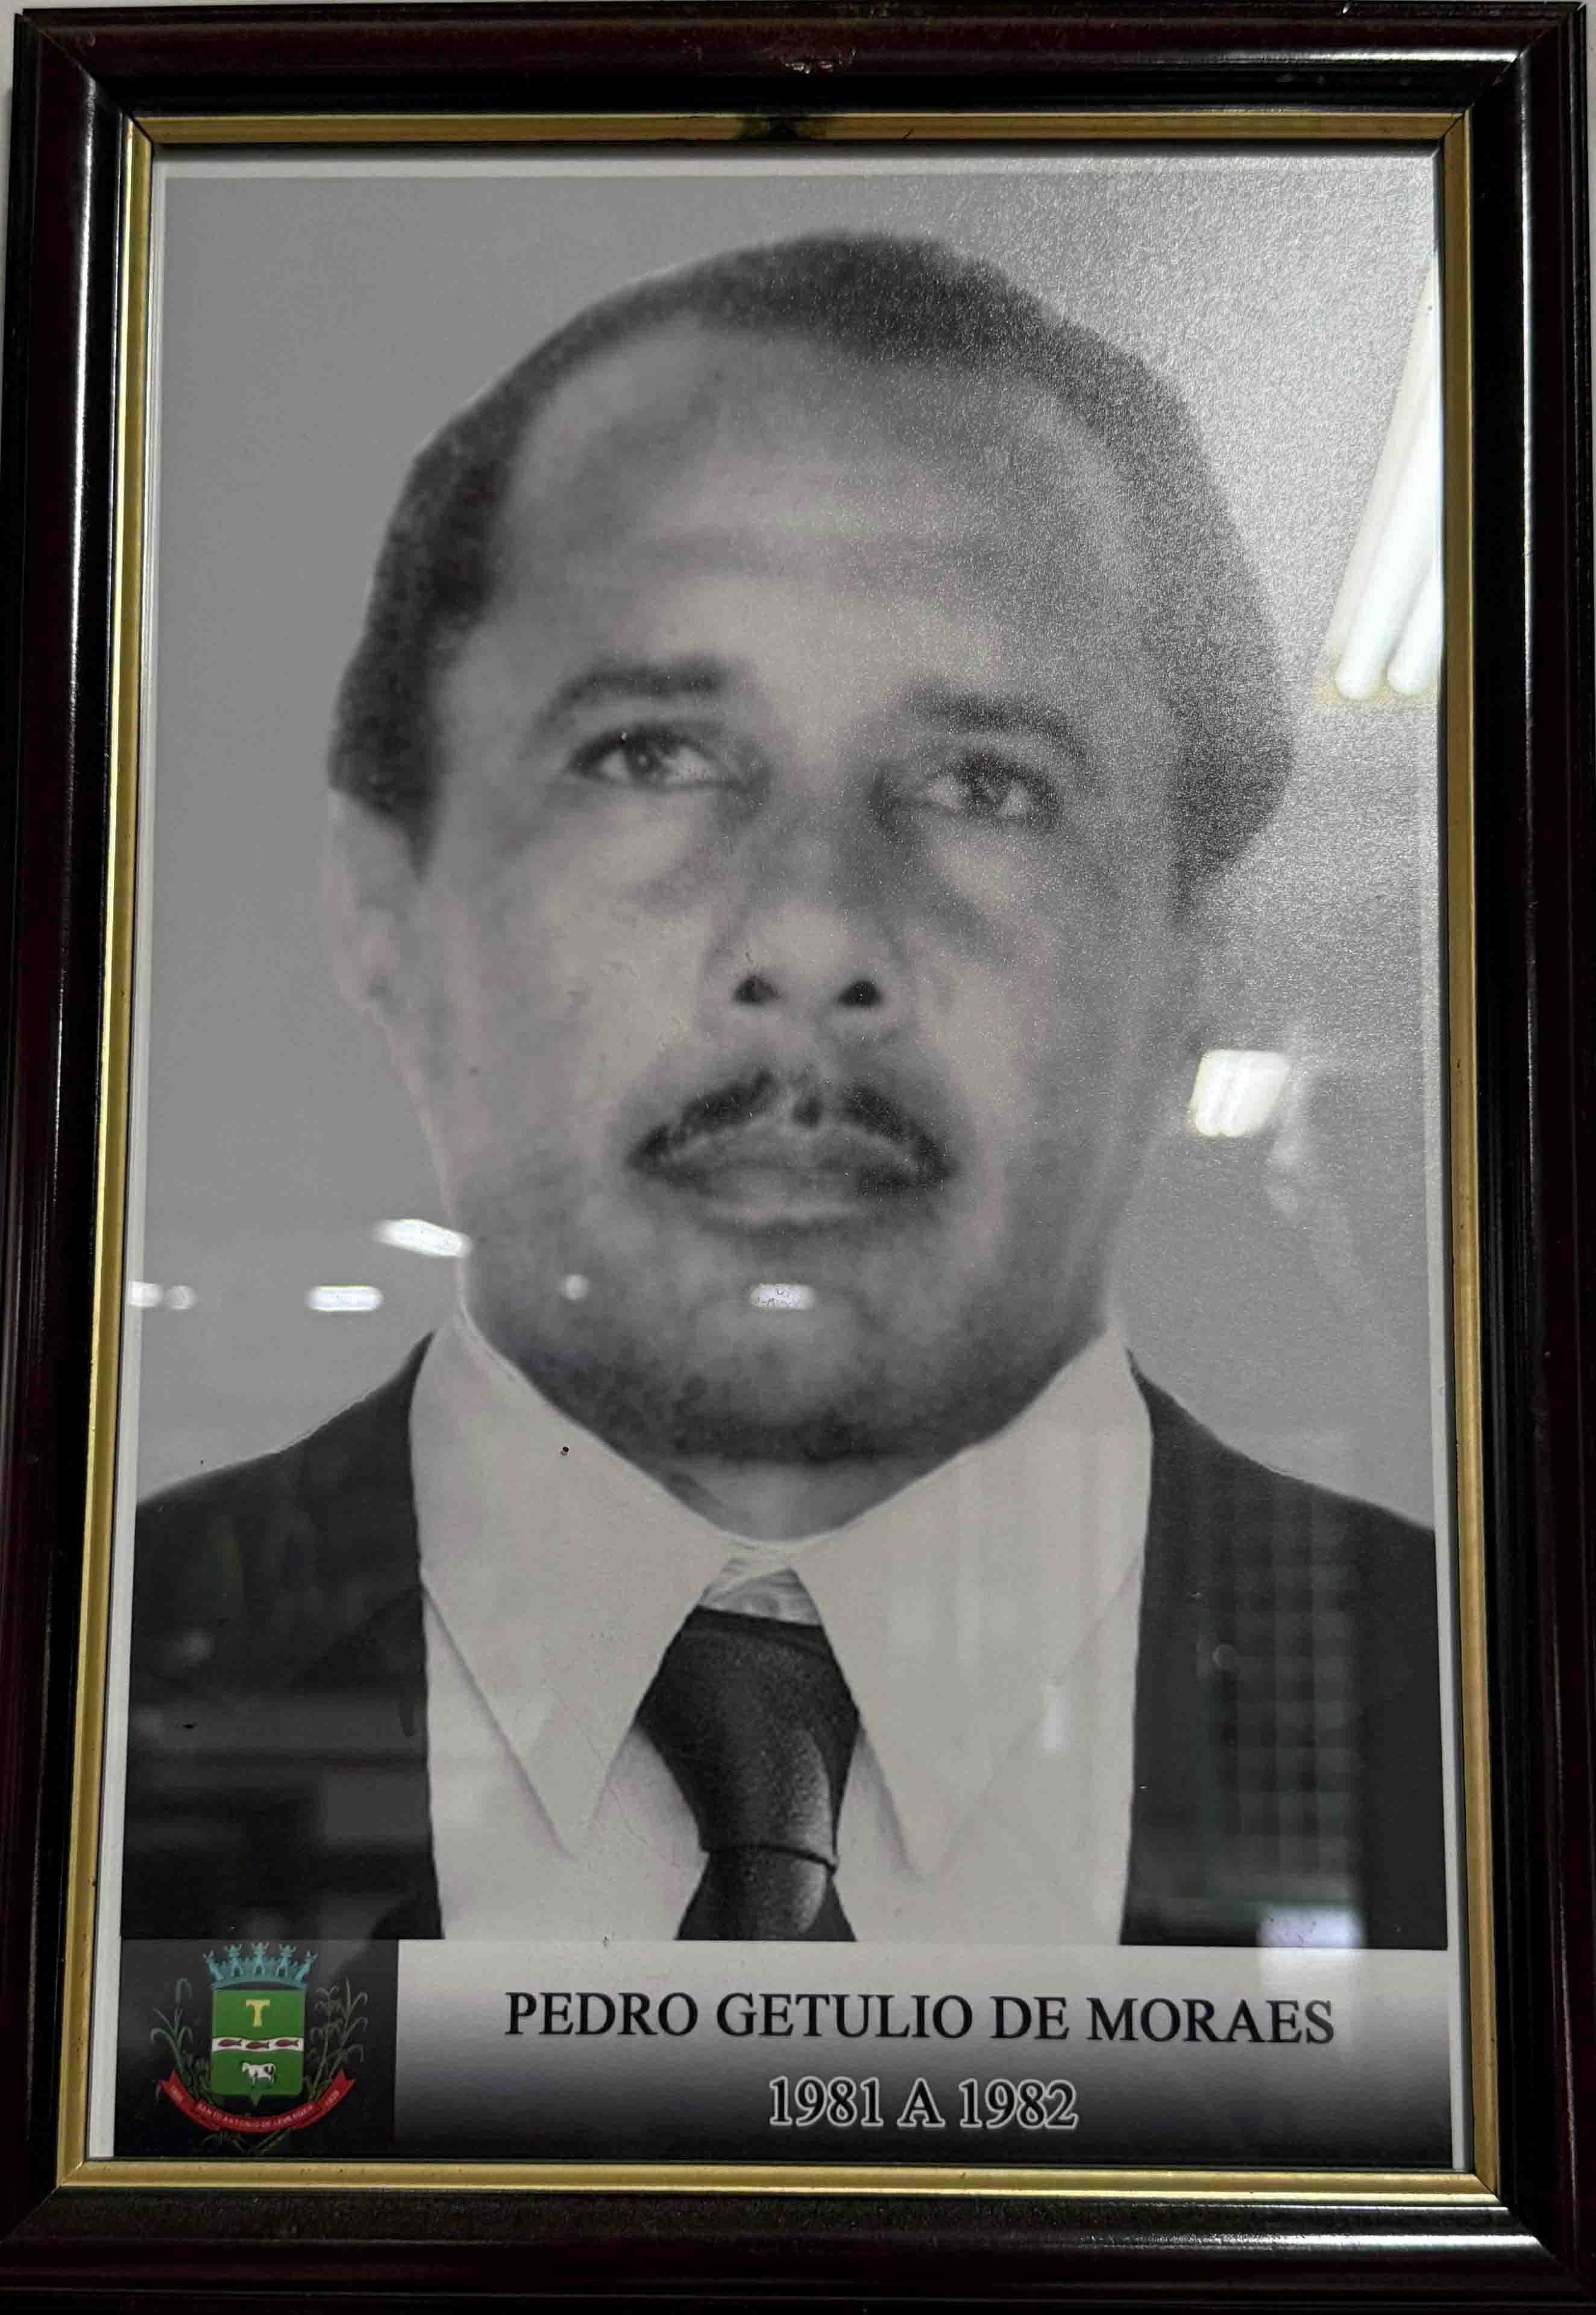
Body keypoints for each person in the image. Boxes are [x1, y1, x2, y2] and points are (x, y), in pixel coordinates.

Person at [121, 232, 1444, 1951]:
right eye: (651, 754)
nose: (813, 935)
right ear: (383, 909)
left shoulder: (1483, 1725)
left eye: (987, 782)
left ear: (1193, 961)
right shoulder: (84, 1681)